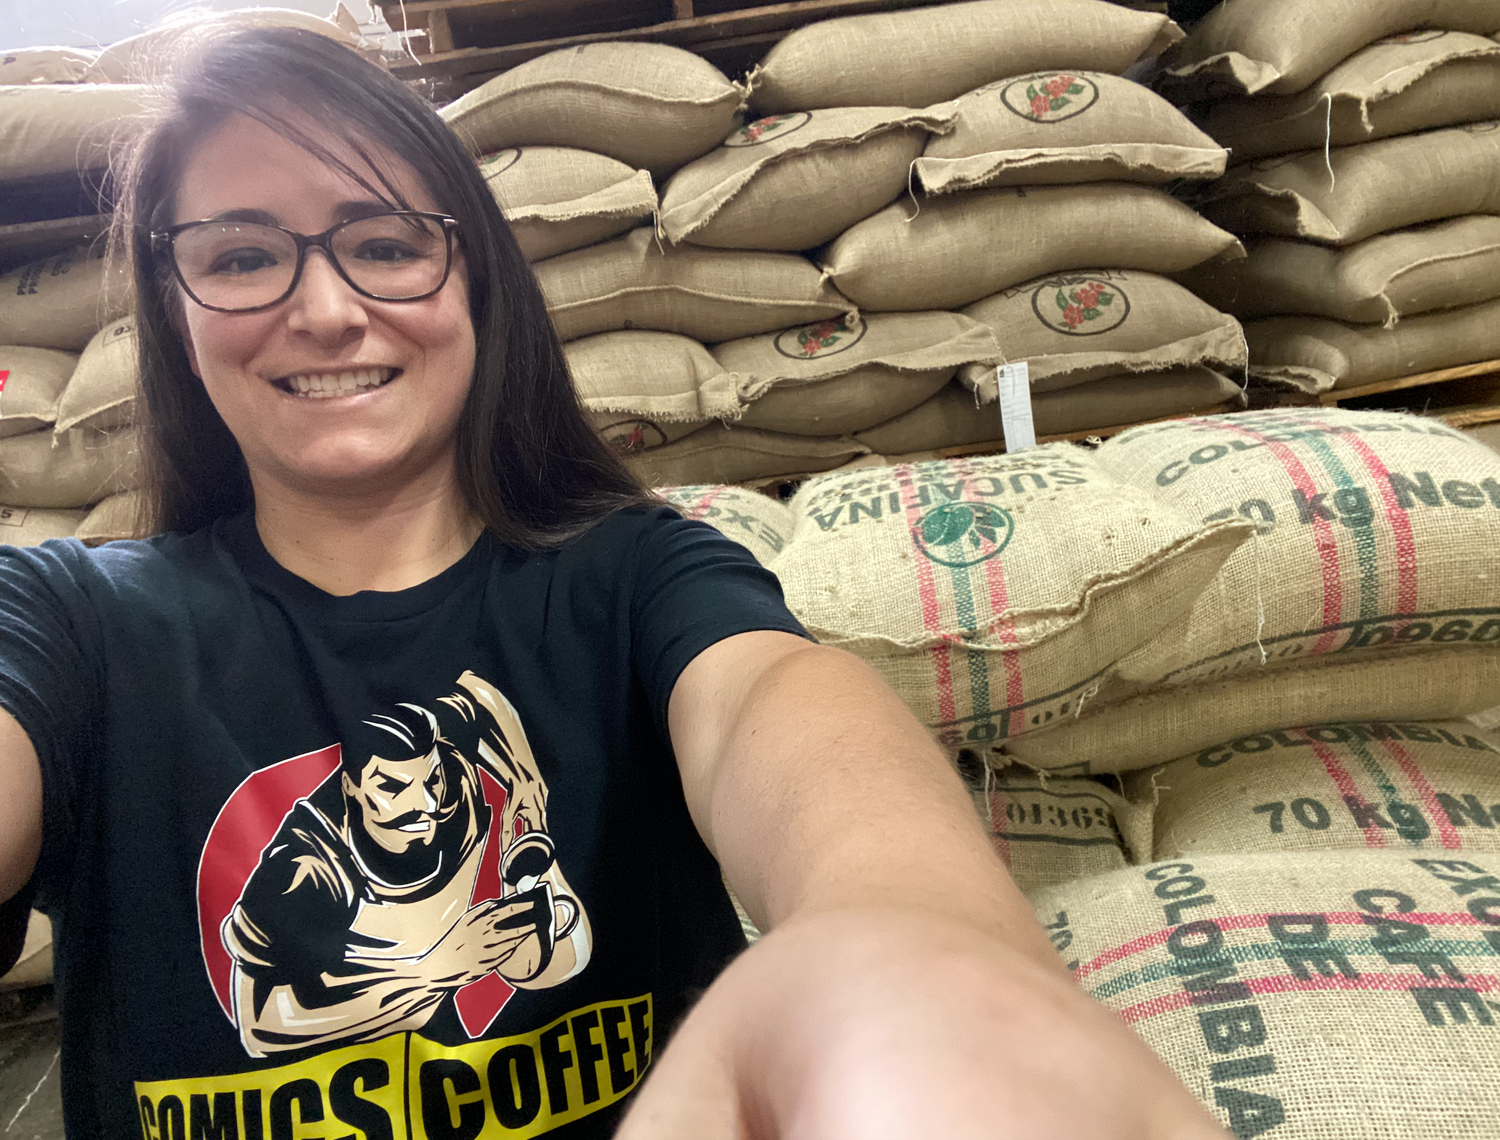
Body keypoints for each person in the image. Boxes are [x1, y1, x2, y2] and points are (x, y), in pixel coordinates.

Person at [0, 26, 1229, 1140]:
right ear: (176, 312)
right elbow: (269, 1005)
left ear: (476, 279)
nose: (325, 309)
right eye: (241, 255)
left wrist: (910, 950)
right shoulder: (73, 625)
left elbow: (774, 710)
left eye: (384, 245)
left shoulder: (635, 577)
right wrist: (432, 966)